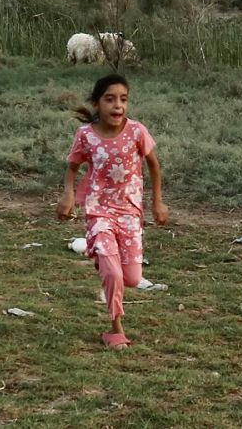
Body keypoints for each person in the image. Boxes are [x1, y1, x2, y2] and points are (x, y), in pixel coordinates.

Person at [56, 74, 168, 349]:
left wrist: (157, 202)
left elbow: (153, 165)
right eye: (110, 99)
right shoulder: (86, 136)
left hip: (129, 212)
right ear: (96, 103)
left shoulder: (137, 132)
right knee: (113, 273)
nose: (118, 106)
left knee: (132, 278)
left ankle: (106, 262)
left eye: (123, 99)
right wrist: (68, 195)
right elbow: (72, 167)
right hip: (98, 211)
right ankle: (116, 329)